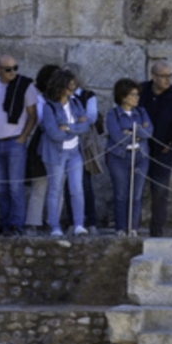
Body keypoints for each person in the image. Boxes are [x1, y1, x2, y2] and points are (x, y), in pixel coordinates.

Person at [0, 55, 38, 237]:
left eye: (15, 68)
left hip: (15, 143)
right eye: (8, 69)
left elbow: (33, 116)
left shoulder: (24, 86)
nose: (13, 72)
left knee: (15, 187)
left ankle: (16, 226)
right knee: (0, 188)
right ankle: (5, 224)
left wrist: (22, 138)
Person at [139, 61, 172, 238]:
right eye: (163, 76)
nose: (167, 80)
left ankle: (157, 232)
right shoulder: (140, 91)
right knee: (134, 190)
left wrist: (171, 143)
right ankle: (131, 228)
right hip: (139, 150)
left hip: (162, 151)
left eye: (170, 76)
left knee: (160, 193)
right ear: (154, 77)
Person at [38, 68, 90, 236]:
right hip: (55, 154)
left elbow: (86, 126)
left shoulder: (76, 103)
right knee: (55, 190)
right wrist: (76, 128)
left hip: (74, 152)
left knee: (77, 189)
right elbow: (54, 133)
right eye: (70, 85)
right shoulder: (49, 107)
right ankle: (54, 226)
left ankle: (79, 224)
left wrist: (68, 127)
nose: (73, 88)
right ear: (61, 86)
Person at [105, 78, 152, 236]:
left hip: (141, 156)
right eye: (133, 94)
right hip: (119, 157)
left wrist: (130, 132)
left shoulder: (142, 112)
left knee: (137, 195)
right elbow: (117, 136)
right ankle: (121, 228)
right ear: (123, 96)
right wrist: (137, 133)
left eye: (137, 94)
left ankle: (133, 228)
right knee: (121, 194)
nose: (137, 97)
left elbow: (149, 132)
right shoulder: (113, 114)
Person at [24, 64, 61, 233]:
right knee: (40, 184)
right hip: (42, 143)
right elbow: (40, 120)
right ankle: (33, 222)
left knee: (59, 185)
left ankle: (54, 222)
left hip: (61, 144)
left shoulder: (65, 99)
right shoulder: (39, 98)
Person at [64, 63, 100, 232]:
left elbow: (91, 116)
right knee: (66, 185)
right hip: (64, 142)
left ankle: (91, 221)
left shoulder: (87, 95)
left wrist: (74, 123)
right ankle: (72, 221)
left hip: (83, 143)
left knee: (85, 184)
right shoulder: (59, 96)